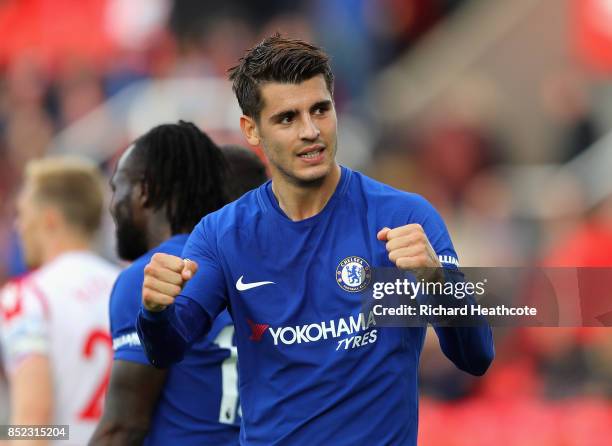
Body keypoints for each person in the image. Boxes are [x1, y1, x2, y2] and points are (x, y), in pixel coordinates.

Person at [137, 35, 494, 445]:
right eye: (287, 118)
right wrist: (155, 311)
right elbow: (166, 349)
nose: (310, 131)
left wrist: (436, 280)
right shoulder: (222, 235)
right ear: (251, 130)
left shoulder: (403, 218)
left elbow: (476, 356)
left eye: (320, 110)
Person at [90, 122, 267, 445]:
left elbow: (123, 427)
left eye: (118, 188)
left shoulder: (148, 277)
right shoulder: (252, 266)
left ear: (144, 190)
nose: (113, 206)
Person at [0, 157, 119, 445]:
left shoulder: (28, 297)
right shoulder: (128, 286)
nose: (19, 226)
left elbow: (36, 425)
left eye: (24, 213)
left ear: (50, 219)